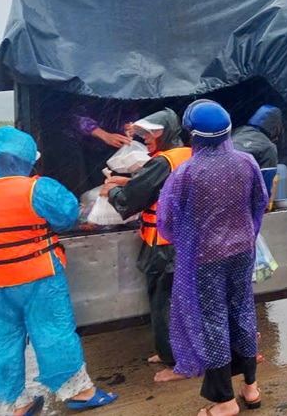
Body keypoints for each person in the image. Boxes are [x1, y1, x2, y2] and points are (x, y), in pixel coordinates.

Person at [0, 126, 117, 415]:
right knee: (52, 331)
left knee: (1, 339)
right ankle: (79, 392)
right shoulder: (37, 187)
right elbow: (67, 216)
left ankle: (17, 404)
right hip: (37, 274)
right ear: (27, 159)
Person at [158, 100, 268, 416]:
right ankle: (250, 388)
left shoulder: (186, 173)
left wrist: (189, 238)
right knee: (244, 312)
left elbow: (167, 222)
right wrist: (244, 230)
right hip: (243, 251)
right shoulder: (246, 163)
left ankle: (225, 401)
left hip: (206, 257)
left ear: (192, 135)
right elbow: (258, 203)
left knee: (214, 321)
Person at [100, 107, 190, 382]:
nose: (147, 136)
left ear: (168, 132)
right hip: (180, 241)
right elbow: (159, 187)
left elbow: (131, 200)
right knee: (173, 301)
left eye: (153, 131)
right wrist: (127, 181)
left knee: (167, 304)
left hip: (166, 245)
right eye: (145, 132)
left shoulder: (163, 161)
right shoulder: (185, 154)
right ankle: (168, 353)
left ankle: (180, 363)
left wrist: (112, 191)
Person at [231, 105, 283, 169]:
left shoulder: (237, 131)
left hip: (219, 173)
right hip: (242, 177)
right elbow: (268, 176)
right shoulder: (269, 147)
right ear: (275, 127)